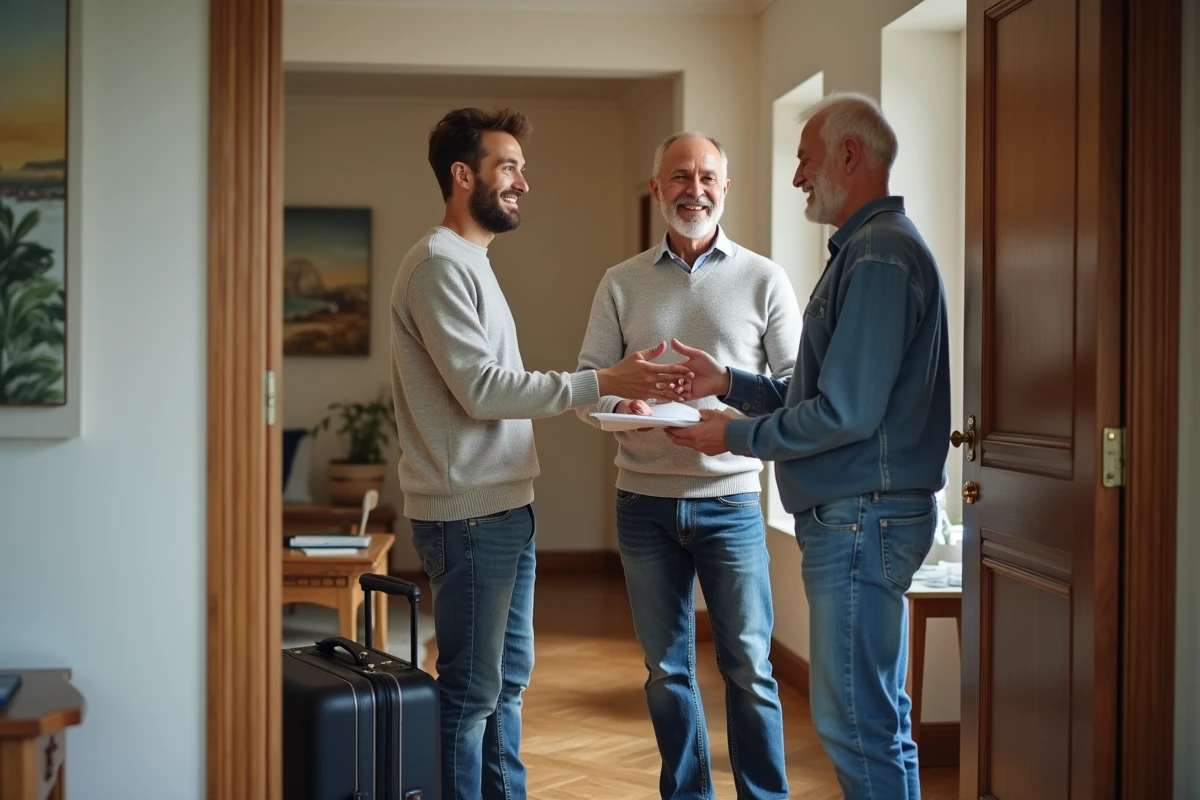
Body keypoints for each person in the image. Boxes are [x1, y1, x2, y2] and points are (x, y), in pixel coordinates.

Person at [390, 107, 693, 800]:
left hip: (504, 508)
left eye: (522, 168)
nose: (523, 181)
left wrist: (614, 396)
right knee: (471, 695)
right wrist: (605, 380)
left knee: (506, 686)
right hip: (468, 517)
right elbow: (481, 391)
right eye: (508, 167)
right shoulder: (438, 266)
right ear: (462, 176)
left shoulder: (472, 263)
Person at [665, 92, 952, 800]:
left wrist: (731, 434)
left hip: (861, 519)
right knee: (873, 720)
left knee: (856, 725)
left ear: (847, 156)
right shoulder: (866, 249)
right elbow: (824, 396)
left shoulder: (880, 255)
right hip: (858, 517)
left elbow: (846, 414)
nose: (796, 176)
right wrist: (730, 382)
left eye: (803, 158)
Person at [575, 131, 801, 800]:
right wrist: (631, 406)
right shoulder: (620, 282)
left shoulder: (765, 279)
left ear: (724, 188)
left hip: (731, 502)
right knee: (666, 671)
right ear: (657, 189)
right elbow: (588, 384)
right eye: (679, 177)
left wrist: (732, 426)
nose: (693, 189)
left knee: (751, 667)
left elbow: (798, 391)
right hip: (641, 504)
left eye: (706, 177)